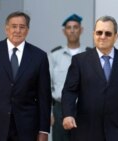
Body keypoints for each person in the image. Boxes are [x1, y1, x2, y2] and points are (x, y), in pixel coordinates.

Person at [61, 15, 118, 141]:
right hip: (86, 130)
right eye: (99, 32)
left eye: (108, 33)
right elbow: (69, 91)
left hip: (117, 130)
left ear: (116, 37)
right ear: (93, 34)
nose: (102, 37)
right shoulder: (80, 61)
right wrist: (68, 114)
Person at [0, 11, 52, 141]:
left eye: (22, 27)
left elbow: (44, 97)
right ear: (6, 29)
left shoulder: (39, 56)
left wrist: (44, 130)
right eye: (14, 26)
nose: (17, 30)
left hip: (27, 127)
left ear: (27, 30)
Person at [49, 13, 90, 141]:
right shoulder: (54, 55)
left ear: (81, 30)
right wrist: (49, 112)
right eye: (69, 27)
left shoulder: (90, 55)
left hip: (84, 108)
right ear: (64, 31)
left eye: (75, 27)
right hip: (60, 108)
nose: (72, 30)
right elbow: (47, 86)